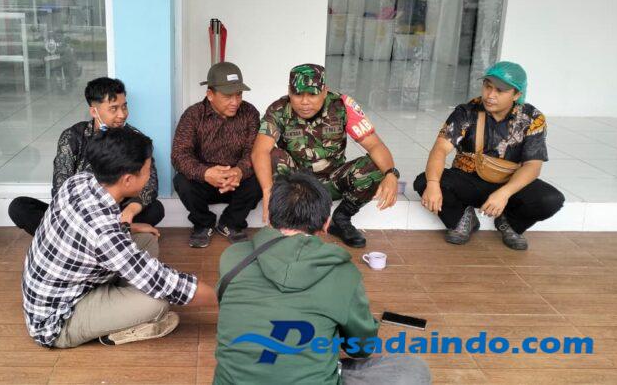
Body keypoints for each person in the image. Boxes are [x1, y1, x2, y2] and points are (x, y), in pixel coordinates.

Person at [214, 172, 430, 385]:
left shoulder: (233, 258)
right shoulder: (343, 273)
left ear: (269, 216)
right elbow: (362, 347)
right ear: (326, 224)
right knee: (413, 369)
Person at [22, 127, 217, 348]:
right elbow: (166, 283)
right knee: (157, 302)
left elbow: (91, 229)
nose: (150, 176)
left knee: (147, 240)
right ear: (127, 180)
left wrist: (129, 226)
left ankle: (121, 300)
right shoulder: (104, 235)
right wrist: (224, 300)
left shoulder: (80, 181)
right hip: (59, 321)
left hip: (73, 287)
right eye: (147, 170)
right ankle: (121, 326)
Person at [414, 61, 564, 250]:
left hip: (509, 183)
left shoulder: (532, 118)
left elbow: (532, 166)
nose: (490, 95)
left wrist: (504, 193)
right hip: (469, 181)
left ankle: (510, 222)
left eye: (500, 91)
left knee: (551, 199)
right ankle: (462, 219)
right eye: (487, 86)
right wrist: (433, 184)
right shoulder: (467, 112)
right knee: (425, 181)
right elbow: (440, 149)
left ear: (517, 94)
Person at [251, 64, 399, 248]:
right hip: (297, 186)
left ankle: (341, 219)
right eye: (298, 94)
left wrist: (391, 174)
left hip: (333, 181)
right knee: (273, 155)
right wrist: (268, 191)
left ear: (324, 91)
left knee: (376, 166)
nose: (305, 102)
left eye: (312, 94)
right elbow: (259, 151)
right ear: (289, 91)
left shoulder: (342, 106)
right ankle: (289, 221)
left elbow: (375, 145)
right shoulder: (279, 109)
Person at [8, 77, 164, 236]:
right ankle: (112, 234)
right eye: (114, 108)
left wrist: (130, 211)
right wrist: (83, 217)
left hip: (117, 212)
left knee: (156, 209)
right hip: (75, 212)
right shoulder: (73, 136)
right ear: (94, 111)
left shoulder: (135, 139)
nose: (122, 114)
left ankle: (74, 238)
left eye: (124, 107)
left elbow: (150, 182)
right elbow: (60, 186)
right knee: (19, 207)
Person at [172, 62, 262, 248]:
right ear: (210, 94)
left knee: (260, 177)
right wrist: (206, 173)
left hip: (237, 181)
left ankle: (231, 223)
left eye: (239, 95)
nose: (235, 102)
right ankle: (203, 224)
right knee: (182, 181)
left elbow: (253, 151)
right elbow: (179, 155)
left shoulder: (250, 113)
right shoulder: (193, 115)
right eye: (228, 96)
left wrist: (239, 171)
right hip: (205, 182)